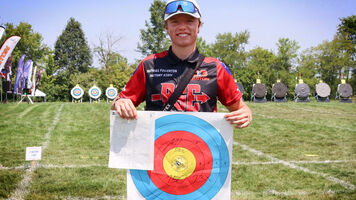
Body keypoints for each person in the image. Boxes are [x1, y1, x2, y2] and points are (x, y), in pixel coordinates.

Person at [112, 0, 252, 129]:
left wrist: (246, 114)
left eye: (190, 21)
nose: (182, 27)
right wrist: (119, 103)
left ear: (199, 25)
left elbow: (241, 108)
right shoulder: (149, 65)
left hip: (201, 152)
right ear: (166, 27)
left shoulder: (216, 67)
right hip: (158, 152)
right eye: (175, 21)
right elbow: (118, 104)